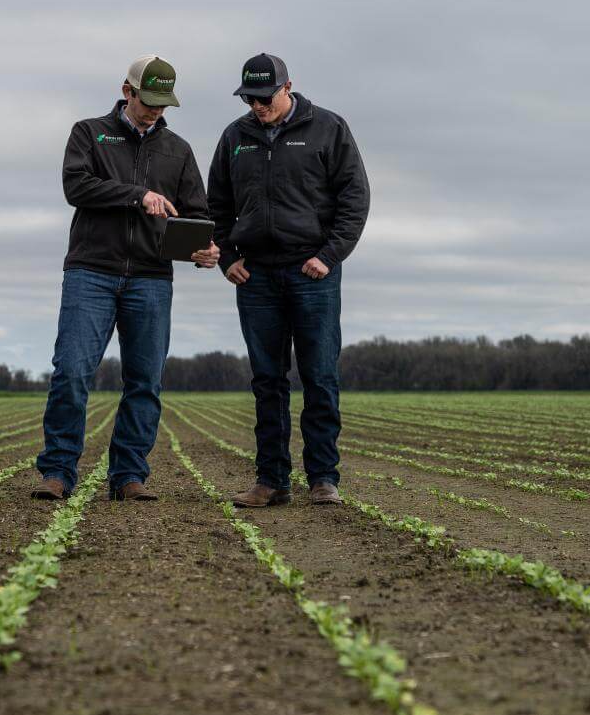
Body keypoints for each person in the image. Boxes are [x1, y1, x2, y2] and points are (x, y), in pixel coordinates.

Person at [33, 55, 220, 501]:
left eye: (163, 104)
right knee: (73, 371)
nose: (155, 110)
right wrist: (137, 195)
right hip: (90, 272)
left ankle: (129, 475)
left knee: (145, 380)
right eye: (148, 100)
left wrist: (203, 250)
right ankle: (58, 470)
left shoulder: (178, 151)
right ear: (126, 91)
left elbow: (196, 213)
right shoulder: (88, 133)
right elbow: (75, 187)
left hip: (152, 278)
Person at [206, 53, 370, 507]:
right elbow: (216, 205)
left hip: (311, 272)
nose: (257, 107)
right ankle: (272, 480)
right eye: (249, 98)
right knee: (267, 380)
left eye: (264, 98)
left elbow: (354, 199)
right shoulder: (235, 137)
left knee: (319, 376)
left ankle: (322, 478)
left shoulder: (329, 128)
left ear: (287, 87)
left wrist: (329, 255)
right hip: (256, 275)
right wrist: (229, 258)